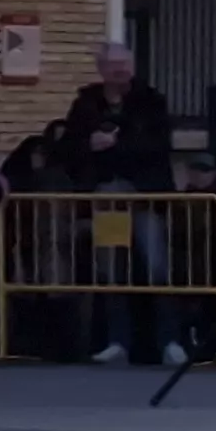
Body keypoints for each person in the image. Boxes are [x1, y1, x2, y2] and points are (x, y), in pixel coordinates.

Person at [53, 42, 178, 365]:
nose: (121, 70)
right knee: (112, 268)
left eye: (125, 64)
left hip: (145, 194)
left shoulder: (151, 101)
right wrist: (89, 144)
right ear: (101, 69)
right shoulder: (86, 104)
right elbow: (66, 149)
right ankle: (117, 340)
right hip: (106, 195)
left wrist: (115, 145)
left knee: (157, 265)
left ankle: (169, 340)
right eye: (114, 65)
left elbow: (159, 145)